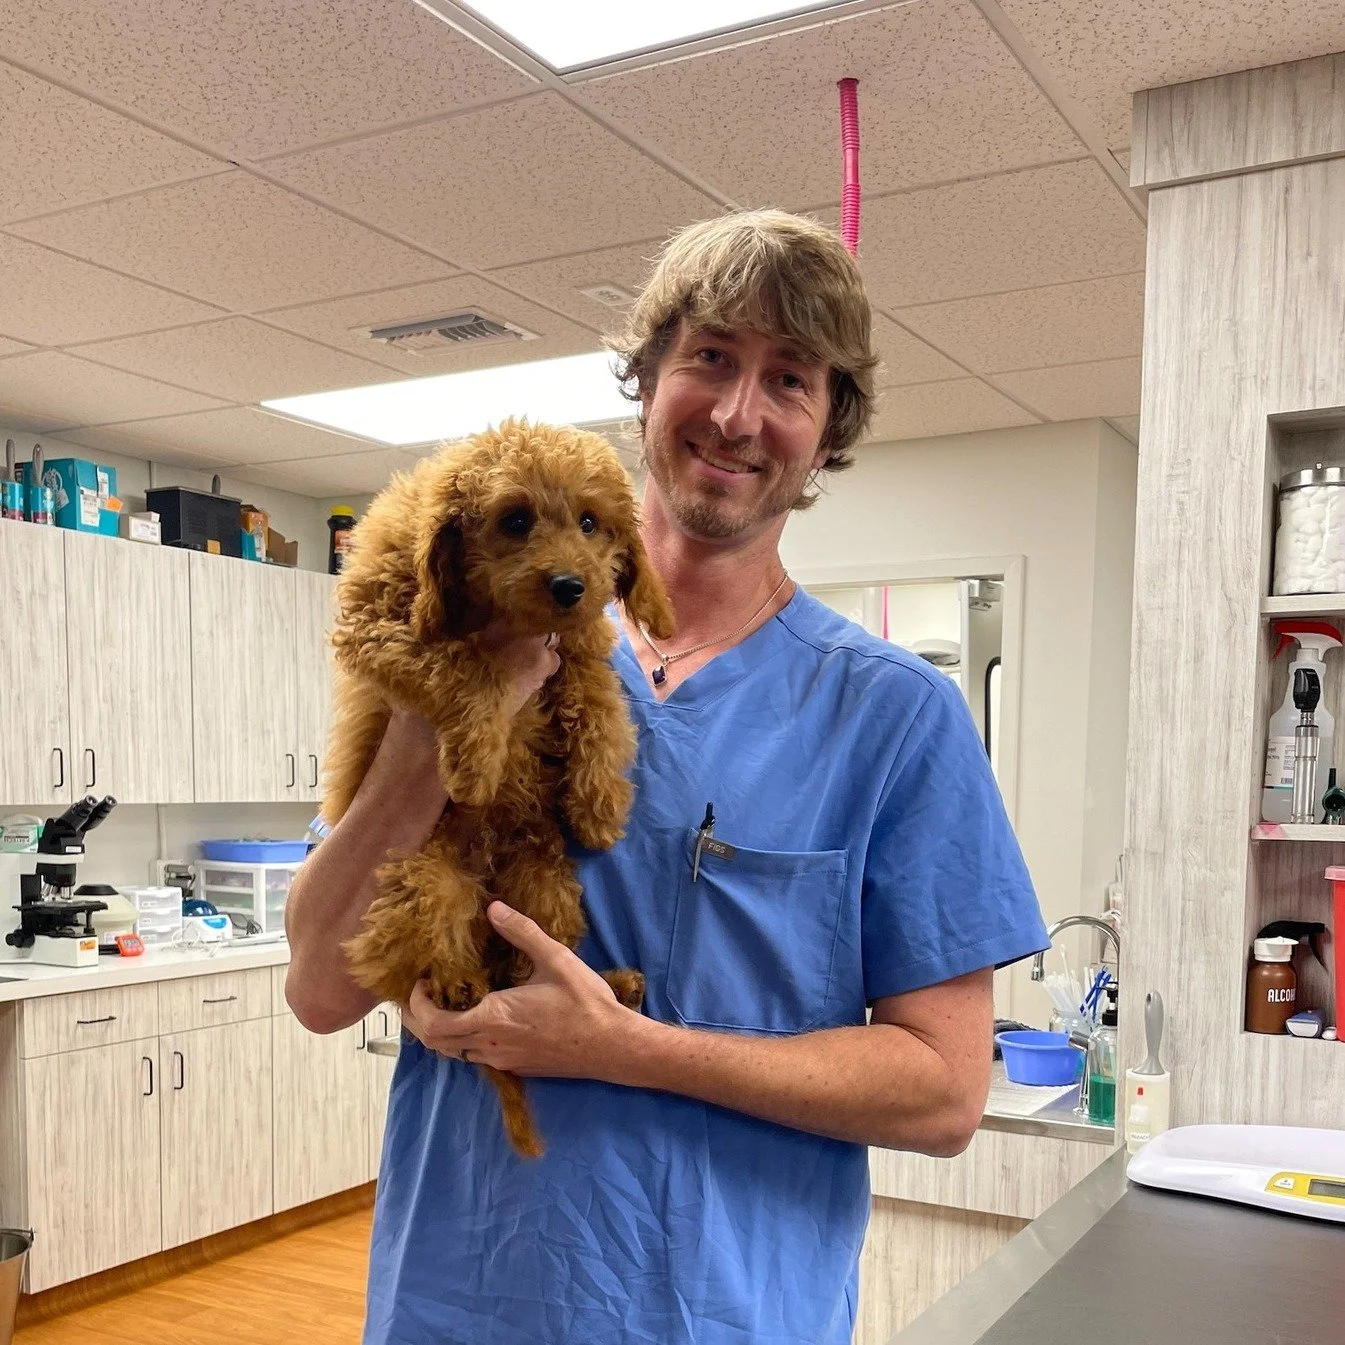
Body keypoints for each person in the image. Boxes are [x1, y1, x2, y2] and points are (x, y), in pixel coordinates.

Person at [285, 209, 1048, 1345]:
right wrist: (424, 742)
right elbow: (318, 990)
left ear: (829, 425)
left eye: (789, 378)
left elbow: (942, 1094)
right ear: (645, 380)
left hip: (725, 1313)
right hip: (457, 1297)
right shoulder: (465, 630)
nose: (740, 413)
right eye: (710, 357)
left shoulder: (892, 716)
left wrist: (624, 1050)